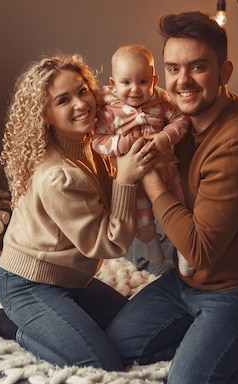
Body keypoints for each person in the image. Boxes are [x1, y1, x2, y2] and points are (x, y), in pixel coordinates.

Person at [106, 12, 238, 384]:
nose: (183, 81)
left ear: (224, 72)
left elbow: (198, 249)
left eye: (198, 67)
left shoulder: (236, 142)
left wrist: (145, 172)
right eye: (173, 68)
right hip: (189, 281)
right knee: (118, 348)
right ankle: (207, 337)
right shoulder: (181, 121)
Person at [0, 54, 157, 371]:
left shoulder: (92, 145)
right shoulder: (59, 176)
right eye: (63, 100)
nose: (80, 104)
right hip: (27, 283)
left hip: (71, 280)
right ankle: (12, 326)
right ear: (46, 114)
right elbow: (108, 245)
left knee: (133, 338)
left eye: (83, 91)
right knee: (101, 362)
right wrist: (125, 178)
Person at [93, 44, 194, 276]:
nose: (135, 90)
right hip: (136, 179)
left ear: (154, 80)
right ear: (113, 83)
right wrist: (123, 143)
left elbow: (180, 121)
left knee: (180, 207)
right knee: (143, 220)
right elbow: (98, 140)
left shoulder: (161, 104)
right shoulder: (109, 112)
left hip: (168, 170)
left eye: (142, 82)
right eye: (126, 82)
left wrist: (164, 137)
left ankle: (184, 251)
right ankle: (152, 247)